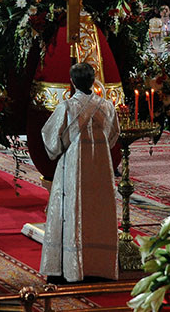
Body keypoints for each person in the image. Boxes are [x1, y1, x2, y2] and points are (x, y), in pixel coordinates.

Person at [40, 62, 119, 283]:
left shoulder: (66, 107)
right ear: (93, 81)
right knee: (98, 212)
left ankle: (70, 269)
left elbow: (51, 140)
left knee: (72, 210)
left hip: (73, 169)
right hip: (100, 167)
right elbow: (113, 136)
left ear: (73, 82)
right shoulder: (107, 106)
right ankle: (99, 266)